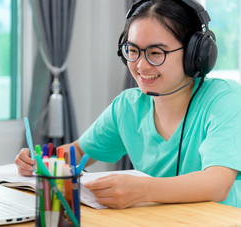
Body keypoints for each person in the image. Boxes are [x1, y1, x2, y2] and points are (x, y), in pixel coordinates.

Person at [15, 0, 241, 209]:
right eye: (133, 51)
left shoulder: (224, 99)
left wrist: (141, 189)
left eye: (155, 53)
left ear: (196, 54)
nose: (141, 65)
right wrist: (43, 161)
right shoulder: (128, 106)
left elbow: (217, 183)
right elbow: (80, 152)